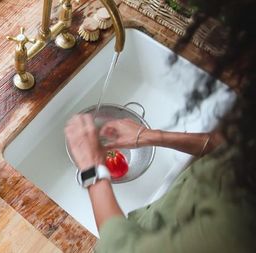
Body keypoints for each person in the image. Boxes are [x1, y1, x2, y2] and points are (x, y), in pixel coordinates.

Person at [64, 0, 256, 252]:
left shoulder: (235, 225)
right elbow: (228, 145)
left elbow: (123, 250)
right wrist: (150, 136)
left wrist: (92, 171)